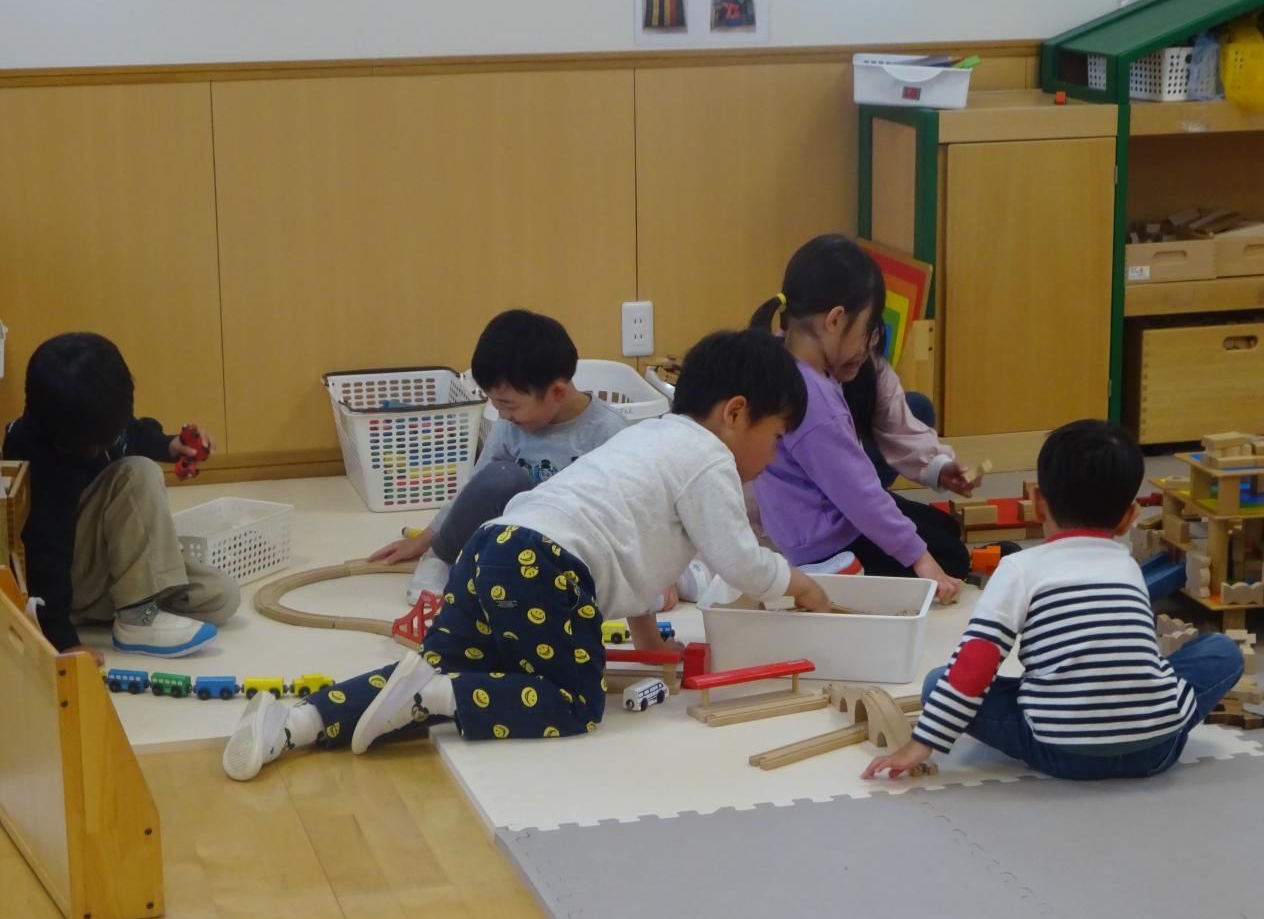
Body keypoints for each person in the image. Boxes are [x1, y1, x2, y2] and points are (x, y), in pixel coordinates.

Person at [223, 328, 831, 780]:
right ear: (735, 413)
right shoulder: (708, 459)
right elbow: (741, 562)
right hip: (546, 568)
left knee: (434, 663)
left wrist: (650, 643)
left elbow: (638, 559)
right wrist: (798, 584)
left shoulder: (650, 438)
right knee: (573, 700)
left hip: (491, 549)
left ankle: (296, 723)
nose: (774, 457)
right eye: (776, 437)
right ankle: (437, 697)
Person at [864, 419, 1243, 781]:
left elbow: (978, 658)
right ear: (1129, 517)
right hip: (1156, 748)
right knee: (1222, 650)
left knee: (937, 683)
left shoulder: (1019, 568)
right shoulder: (1126, 564)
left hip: (1061, 752)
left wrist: (923, 741)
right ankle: (1156, 714)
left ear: (1037, 502)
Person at [748, 234, 963, 602]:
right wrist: (922, 560)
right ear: (835, 320)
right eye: (866, 331)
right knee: (949, 556)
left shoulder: (782, 356)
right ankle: (829, 575)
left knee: (940, 527)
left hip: (811, 526)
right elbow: (860, 495)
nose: (867, 346)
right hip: (828, 543)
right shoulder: (813, 401)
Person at [2, 333, 238, 661]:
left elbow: (131, 434)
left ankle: (130, 603)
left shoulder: (91, 420)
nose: (112, 439)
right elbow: (45, 552)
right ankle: (135, 618)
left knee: (220, 596)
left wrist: (169, 446)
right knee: (137, 473)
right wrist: (62, 641)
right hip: (67, 575)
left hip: (101, 571)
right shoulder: (39, 459)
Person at [367, 310, 627, 604]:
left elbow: (634, 510)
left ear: (557, 392)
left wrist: (650, 577)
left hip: (571, 542)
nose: (502, 415)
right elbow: (475, 488)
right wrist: (428, 540)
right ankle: (441, 559)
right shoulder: (511, 427)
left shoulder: (609, 431)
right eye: (496, 404)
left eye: (509, 406)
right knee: (500, 478)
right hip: (514, 536)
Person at [840, 317, 996, 578]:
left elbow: (897, 425)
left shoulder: (865, 364)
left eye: (872, 337)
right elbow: (854, 495)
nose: (864, 351)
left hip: (851, 494)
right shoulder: (811, 393)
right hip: (827, 518)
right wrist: (918, 556)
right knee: (951, 558)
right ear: (833, 321)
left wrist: (939, 467)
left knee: (946, 528)